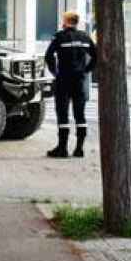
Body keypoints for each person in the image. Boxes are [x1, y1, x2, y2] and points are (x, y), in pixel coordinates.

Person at [44, 10, 95, 159]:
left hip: (64, 80)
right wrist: (86, 70)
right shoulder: (85, 37)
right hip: (79, 80)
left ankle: (62, 148)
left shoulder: (60, 37)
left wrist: (55, 72)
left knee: (63, 113)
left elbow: (49, 56)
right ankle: (79, 149)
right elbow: (95, 56)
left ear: (66, 21)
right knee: (80, 114)